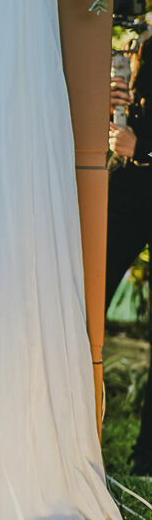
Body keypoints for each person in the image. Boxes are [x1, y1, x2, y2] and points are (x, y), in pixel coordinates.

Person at [107, 27, 152, 474]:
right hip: (125, 190)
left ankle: (147, 459)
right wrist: (115, 100)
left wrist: (145, 148)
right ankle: (70, 445)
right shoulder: (139, 34)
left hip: (145, 166)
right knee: (83, 303)